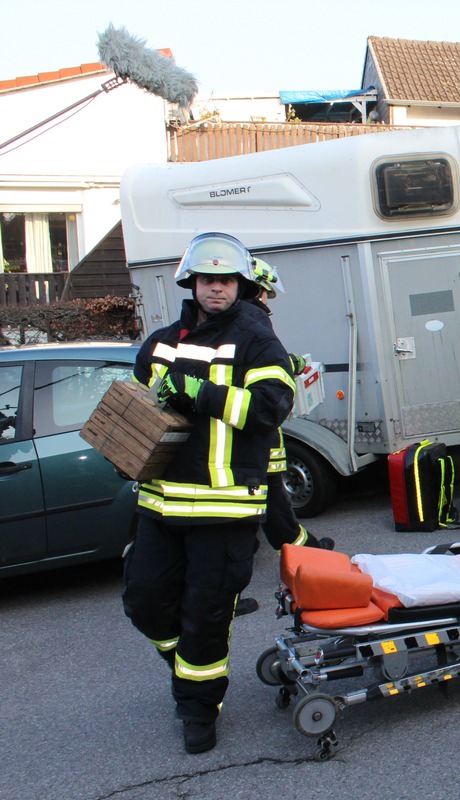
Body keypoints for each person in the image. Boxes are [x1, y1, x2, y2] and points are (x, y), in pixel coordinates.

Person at [122, 232, 295, 755]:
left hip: (224, 508)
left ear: (239, 285)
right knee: (144, 601)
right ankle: (185, 669)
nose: (215, 288)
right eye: (206, 279)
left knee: (206, 615)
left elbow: (270, 407)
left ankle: (198, 708)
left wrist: (201, 391)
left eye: (224, 280)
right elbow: (138, 404)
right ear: (191, 283)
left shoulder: (256, 338)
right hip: (160, 502)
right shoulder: (160, 340)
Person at [240, 259, 334, 553]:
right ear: (255, 288)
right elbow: (272, 360)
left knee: (259, 505)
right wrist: (297, 363)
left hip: (242, 429)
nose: (267, 298)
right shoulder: (253, 316)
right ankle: (310, 556)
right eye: (266, 291)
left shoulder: (228, 319)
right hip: (254, 430)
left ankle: (308, 550)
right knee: (272, 502)